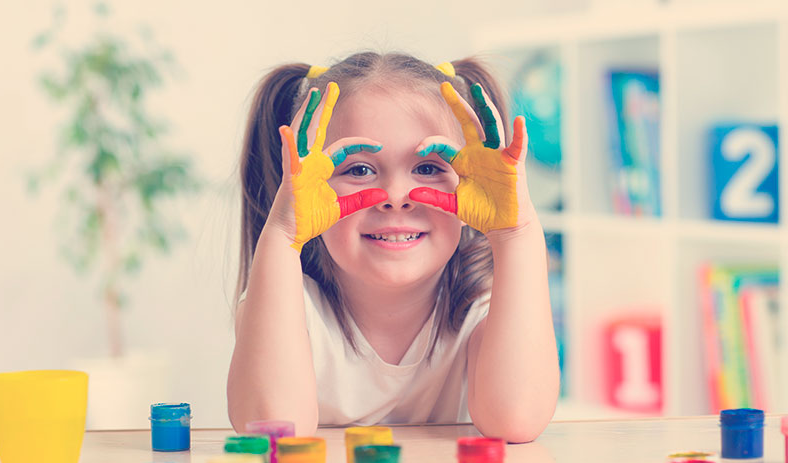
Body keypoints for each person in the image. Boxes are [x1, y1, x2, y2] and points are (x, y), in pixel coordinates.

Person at [227, 52, 559, 443]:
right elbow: (272, 430)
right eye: (359, 169)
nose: (396, 197)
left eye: (429, 167)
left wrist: (515, 231)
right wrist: (283, 236)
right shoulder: (284, 301)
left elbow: (516, 420)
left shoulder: (485, 305)